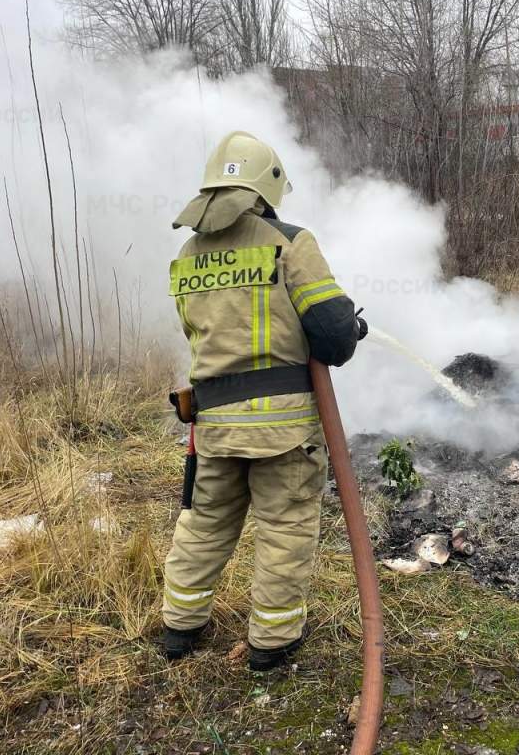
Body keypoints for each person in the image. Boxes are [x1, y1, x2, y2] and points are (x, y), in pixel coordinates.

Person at [163, 131, 367, 671]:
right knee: (285, 525)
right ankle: (272, 642)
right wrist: (350, 327)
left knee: (204, 522)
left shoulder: (186, 256)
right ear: (266, 188)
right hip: (283, 430)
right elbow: (333, 335)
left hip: (214, 427)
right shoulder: (289, 242)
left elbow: (198, 333)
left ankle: (179, 626)